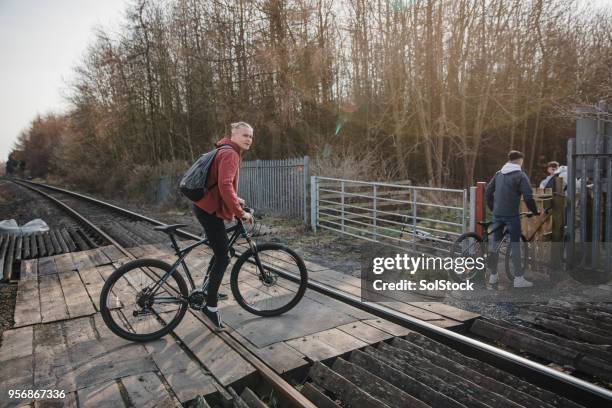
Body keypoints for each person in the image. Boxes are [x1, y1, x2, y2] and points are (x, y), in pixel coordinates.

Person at [193, 121, 254, 329]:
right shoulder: (231, 154)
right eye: (244, 135)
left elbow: (222, 184)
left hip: (205, 207)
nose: (248, 139)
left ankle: (208, 289)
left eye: (251, 136)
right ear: (234, 135)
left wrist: (238, 201)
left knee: (221, 251)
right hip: (209, 211)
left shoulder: (224, 150)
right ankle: (210, 307)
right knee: (223, 257)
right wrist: (240, 213)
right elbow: (225, 184)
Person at [485, 150, 540, 288]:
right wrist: (535, 211)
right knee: (516, 245)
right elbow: (528, 196)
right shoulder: (520, 175)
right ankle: (518, 279)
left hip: (497, 214)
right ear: (520, 160)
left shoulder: (499, 174)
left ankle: (493, 276)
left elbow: (488, 192)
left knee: (495, 244)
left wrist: (493, 207)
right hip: (512, 216)